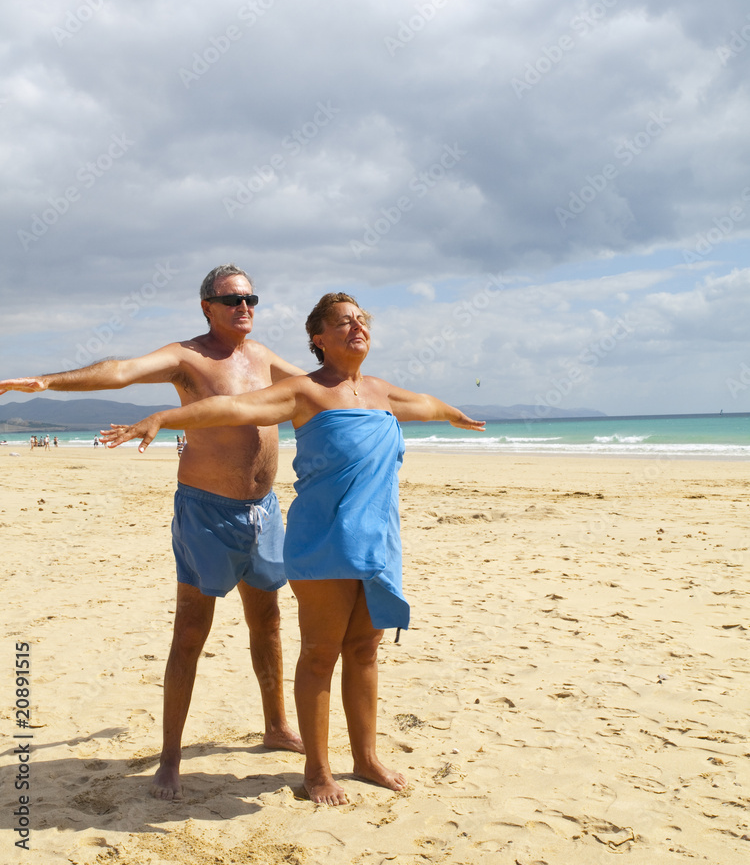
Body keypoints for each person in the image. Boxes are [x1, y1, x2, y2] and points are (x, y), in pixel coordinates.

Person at [101, 292, 484, 805]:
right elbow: (232, 407)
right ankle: (318, 770)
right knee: (321, 654)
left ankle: (366, 758)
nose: (358, 327)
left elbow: (429, 406)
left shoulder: (382, 393)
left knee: (366, 651)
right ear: (318, 339)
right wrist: (167, 418)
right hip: (324, 541)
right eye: (344, 322)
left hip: (377, 542)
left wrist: (455, 414)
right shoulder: (303, 392)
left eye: (362, 320)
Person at [0, 264, 305, 800]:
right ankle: (169, 758)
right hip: (207, 513)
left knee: (270, 622)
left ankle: (277, 725)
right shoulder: (187, 357)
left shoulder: (264, 358)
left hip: (264, 510)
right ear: (207, 306)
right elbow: (120, 370)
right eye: (232, 299)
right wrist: (47, 382)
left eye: (252, 297)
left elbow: (317, 390)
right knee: (190, 631)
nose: (245, 307)